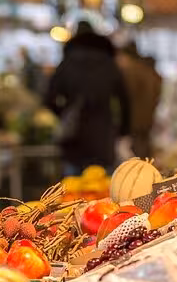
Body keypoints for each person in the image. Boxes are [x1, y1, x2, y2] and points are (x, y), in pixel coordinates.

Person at [45, 21, 130, 174]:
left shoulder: (67, 63)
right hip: (103, 133)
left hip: (74, 135)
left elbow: (48, 98)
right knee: (102, 185)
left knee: (72, 186)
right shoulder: (109, 64)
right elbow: (125, 100)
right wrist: (123, 130)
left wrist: (65, 113)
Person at [116, 43, 162, 158]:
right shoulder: (147, 71)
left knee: (136, 154)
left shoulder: (131, 71)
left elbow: (126, 97)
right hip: (147, 118)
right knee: (144, 149)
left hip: (135, 120)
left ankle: (141, 174)